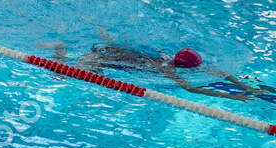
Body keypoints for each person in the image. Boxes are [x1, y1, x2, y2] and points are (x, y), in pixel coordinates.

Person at [50, 39, 262, 99]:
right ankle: (60, 50)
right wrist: (231, 97)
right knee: (59, 77)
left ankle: (64, 50)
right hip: (103, 60)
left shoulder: (169, 58)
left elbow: (220, 73)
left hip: (113, 53)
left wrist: (244, 86)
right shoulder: (167, 70)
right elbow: (190, 89)